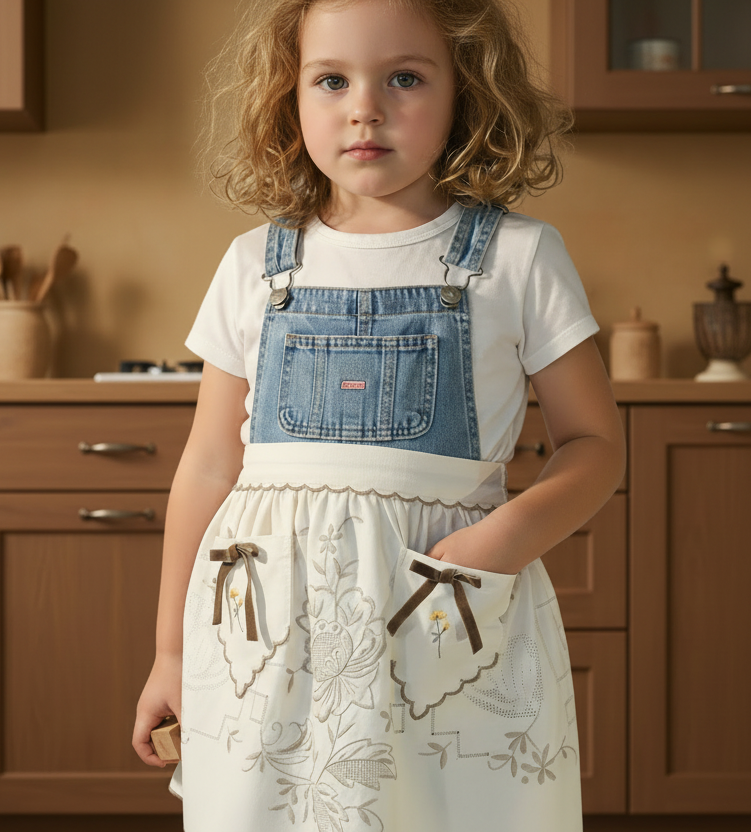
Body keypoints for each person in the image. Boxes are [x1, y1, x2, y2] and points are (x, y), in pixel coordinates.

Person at [132, 0, 626, 828]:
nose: (366, 107)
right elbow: (210, 465)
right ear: (289, 101)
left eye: (405, 77)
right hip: (265, 633)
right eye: (332, 80)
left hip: (442, 609)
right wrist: (170, 653)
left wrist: (496, 544)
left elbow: (595, 445)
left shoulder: (518, 257)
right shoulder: (255, 264)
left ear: (466, 94)